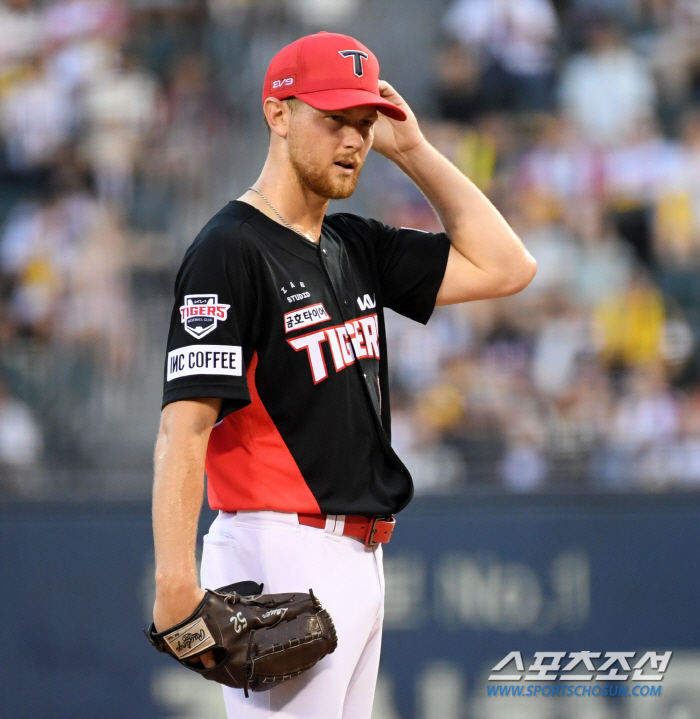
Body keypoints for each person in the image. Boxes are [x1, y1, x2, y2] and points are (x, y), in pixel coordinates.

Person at [151, 31, 535, 719]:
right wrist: (175, 578)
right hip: (279, 550)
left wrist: (414, 151)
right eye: (334, 120)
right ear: (278, 113)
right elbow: (186, 427)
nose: (354, 140)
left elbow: (508, 266)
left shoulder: (351, 244)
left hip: (360, 553)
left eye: (364, 123)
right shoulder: (228, 250)